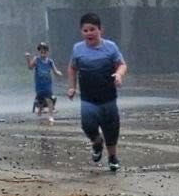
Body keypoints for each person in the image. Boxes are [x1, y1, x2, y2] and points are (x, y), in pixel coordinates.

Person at [66, 12, 127, 172]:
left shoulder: (110, 47)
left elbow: (121, 64)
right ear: (81, 32)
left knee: (111, 128)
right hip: (88, 97)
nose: (89, 33)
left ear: (100, 30)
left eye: (92, 29)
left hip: (108, 97)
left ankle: (112, 157)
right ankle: (96, 142)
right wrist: (72, 87)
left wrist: (119, 75)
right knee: (87, 125)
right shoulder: (77, 49)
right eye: (85, 31)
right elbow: (72, 68)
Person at [26, 42, 61, 122]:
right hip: (39, 85)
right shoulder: (36, 59)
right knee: (41, 99)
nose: (43, 53)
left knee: (49, 99)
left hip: (48, 84)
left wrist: (58, 73)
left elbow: (55, 71)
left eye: (44, 51)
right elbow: (30, 67)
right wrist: (28, 58)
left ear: (47, 52)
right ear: (39, 52)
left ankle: (50, 116)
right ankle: (39, 111)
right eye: (41, 51)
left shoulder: (50, 61)